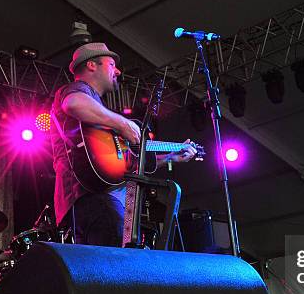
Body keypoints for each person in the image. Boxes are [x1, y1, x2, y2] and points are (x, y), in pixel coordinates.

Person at [50, 42, 196, 246]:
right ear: (92, 65)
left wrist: (170, 157)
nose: (118, 71)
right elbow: (73, 104)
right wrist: (124, 123)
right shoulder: (78, 90)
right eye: (111, 64)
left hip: (93, 197)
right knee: (116, 256)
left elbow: (125, 168)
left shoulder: (99, 115)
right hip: (85, 195)